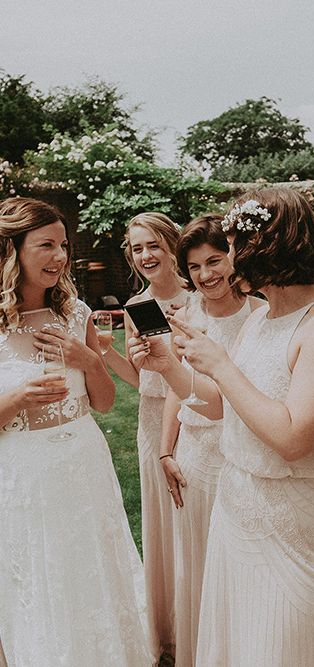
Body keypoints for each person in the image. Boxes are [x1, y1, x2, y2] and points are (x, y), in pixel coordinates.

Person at [130, 189, 314, 665]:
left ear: (265, 245)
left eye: (233, 244)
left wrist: (221, 365)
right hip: (236, 514)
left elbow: (294, 438)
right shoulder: (262, 322)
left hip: (291, 523)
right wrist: (168, 364)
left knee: (279, 648)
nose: (227, 260)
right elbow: (220, 407)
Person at [0, 197, 153, 666]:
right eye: (46, 245)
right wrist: (19, 399)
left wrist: (87, 360)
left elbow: (105, 403)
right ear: (12, 252)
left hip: (83, 458)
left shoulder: (76, 313)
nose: (61, 257)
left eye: (63, 244)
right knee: (42, 573)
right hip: (24, 471)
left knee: (89, 565)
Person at [158, 213, 265, 667]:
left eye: (215, 261)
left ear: (235, 258)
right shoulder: (185, 315)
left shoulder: (259, 314)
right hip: (195, 453)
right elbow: (174, 389)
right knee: (197, 560)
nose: (206, 275)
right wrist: (166, 450)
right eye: (196, 267)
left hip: (241, 449)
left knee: (242, 561)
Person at [102, 212, 186, 659]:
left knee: (191, 518)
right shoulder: (136, 305)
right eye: (137, 248)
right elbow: (142, 380)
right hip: (151, 422)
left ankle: (198, 622)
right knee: (161, 526)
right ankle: (168, 632)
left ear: (172, 245)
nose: (146, 255)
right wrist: (113, 354)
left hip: (193, 419)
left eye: (153, 244)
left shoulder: (200, 296)